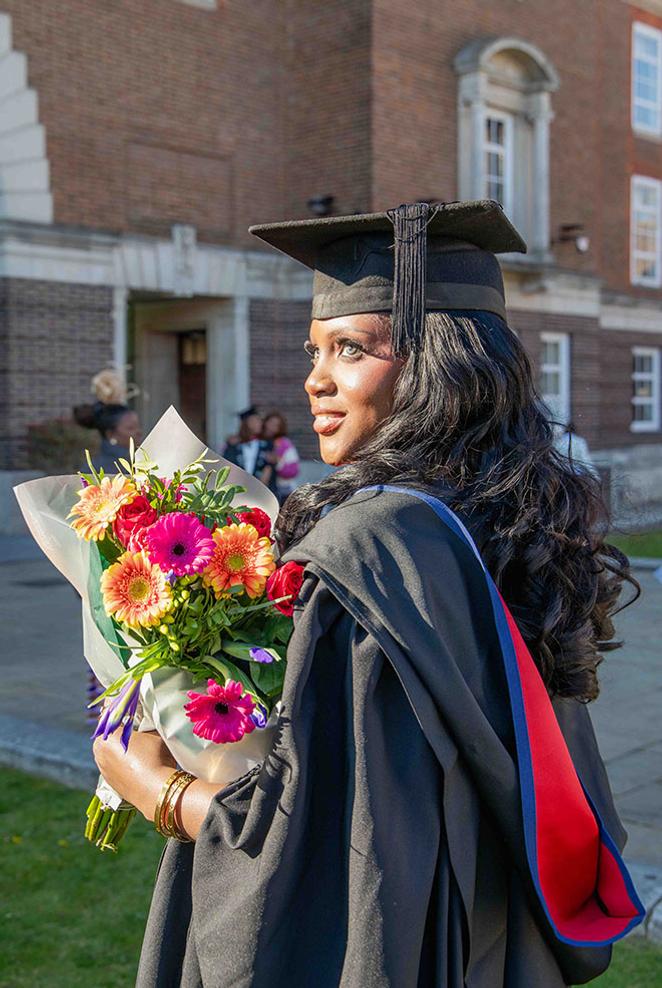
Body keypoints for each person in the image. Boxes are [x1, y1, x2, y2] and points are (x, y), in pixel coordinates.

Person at [93, 200, 643, 987]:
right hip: (492, 930)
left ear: (434, 366)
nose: (315, 379)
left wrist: (154, 785)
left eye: (350, 349)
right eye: (314, 349)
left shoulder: (368, 548)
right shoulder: (511, 522)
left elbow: (316, 847)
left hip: (412, 942)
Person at [223, 406, 278, 495]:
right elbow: (229, 469)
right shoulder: (233, 445)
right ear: (246, 423)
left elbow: (268, 471)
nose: (259, 423)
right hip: (238, 493)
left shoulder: (267, 445)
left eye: (259, 421)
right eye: (255, 421)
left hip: (261, 492)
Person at [262, 410, 301, 502]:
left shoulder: (284, 444)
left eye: (276, 425)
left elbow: (293, 470)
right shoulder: (257, 441)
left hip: (282, 490)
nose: (272, 427)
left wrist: (278, 462)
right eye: (270, 423)